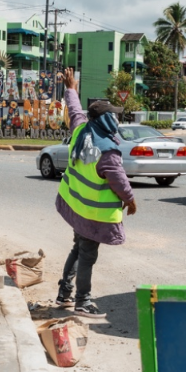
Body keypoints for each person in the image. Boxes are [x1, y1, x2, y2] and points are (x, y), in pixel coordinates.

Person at [54, 69, 137, 318]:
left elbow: (76, 110)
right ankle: (83, 301)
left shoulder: (81, 131)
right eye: (115, 117)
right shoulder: (107, 150)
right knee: (87, 255)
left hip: (75, 206)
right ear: (106, 122)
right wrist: (130, 202)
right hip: (91, 213)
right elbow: (119, 182)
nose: (117, 121)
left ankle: (64, 293)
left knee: (78, 249)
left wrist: (70, 88)